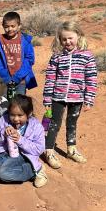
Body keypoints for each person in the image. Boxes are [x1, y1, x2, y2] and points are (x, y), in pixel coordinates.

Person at [43, 21, 97, 169]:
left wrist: (89, 99)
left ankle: (71, 149)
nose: (67, 42)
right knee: (53, 123)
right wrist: (47, 98)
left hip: (77, 97)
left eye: (70, 38)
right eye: (64, 39)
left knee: (72, 122)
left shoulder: (87, 56)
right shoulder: (57, 56)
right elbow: (50, 78)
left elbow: (91, 78)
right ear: (60, 40)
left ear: (78, 36)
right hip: (57, 96)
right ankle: (48, 151)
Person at [0, 94, 48, 188]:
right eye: (12, 115)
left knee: (4, 173)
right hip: (3, 153)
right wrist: (3, 133)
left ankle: (35, 171)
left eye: (20, 115)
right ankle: (7, 174)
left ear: (29, 114)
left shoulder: (36, 126)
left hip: (23, 155)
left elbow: (39, 149)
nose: (16, 119)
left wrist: (20, 140)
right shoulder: (4, 120)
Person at [0, 11, 37, 96]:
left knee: (19, 105)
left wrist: (18, 76)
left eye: (13, 26)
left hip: (21, 80)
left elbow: (29, 59)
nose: (10, 29)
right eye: (7, 26)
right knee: (5, 104)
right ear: (3, 26)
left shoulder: (25, 40)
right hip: (4, 80)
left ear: (19, 26)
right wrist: (5, 75)